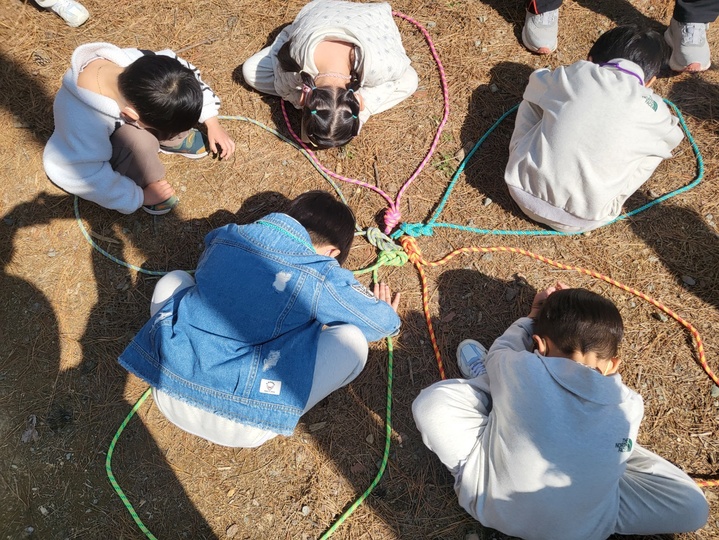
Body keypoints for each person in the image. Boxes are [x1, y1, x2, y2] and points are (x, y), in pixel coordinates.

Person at [412, 284, 709, 540]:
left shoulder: (523, 366)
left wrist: (531, 318)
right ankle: (601, 447)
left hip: (490, 504)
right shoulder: (631, 405)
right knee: (694, 508)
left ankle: (493, 392)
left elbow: (500, 352)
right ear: (615, 364)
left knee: (434, 404)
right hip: (584, 531)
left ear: (537, 346)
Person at [118, 191, 401, 447]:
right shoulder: (320, 273)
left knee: (175, 280)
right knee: (352, 343)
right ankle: (276, 406)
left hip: (169, 387)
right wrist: (386, 312)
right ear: (332, 252)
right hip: (243, 421)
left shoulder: (226, 235)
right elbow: (379, 326)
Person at [504, 26, 684, 233]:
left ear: (590, 59)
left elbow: (536, 82)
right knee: (656, 148)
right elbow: (673, 136)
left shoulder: (580, 72)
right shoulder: (658, 112)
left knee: (536, 99)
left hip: (520, 189)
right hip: (586, 219)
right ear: (650, 80)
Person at [43, 43, 236, 215]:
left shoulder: (144, 63)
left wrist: (212, 121)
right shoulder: (80, 119)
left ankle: (168, 139)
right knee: (138, 142)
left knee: (173, 105)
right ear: (131, 116)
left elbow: (184, 74)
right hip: (112, 139)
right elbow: (81, 172)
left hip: (136, 112)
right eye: (170, 131)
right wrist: (138, 196)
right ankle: (144, 175)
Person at [242, 0, 418, 148]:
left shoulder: (380, 66)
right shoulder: (294, 67)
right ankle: (291, 34)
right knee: (250, 71)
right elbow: (284, 88)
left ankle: (344, 111)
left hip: (359, 21)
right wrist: (298, 99)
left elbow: (401, 66)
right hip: (318, 21)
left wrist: (300, 98)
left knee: (410, 80)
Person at [522, 0, 717, 72]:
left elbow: (538, 85)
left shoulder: (567, 80)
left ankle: (693, 15)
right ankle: (543, 5)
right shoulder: (649, 110)